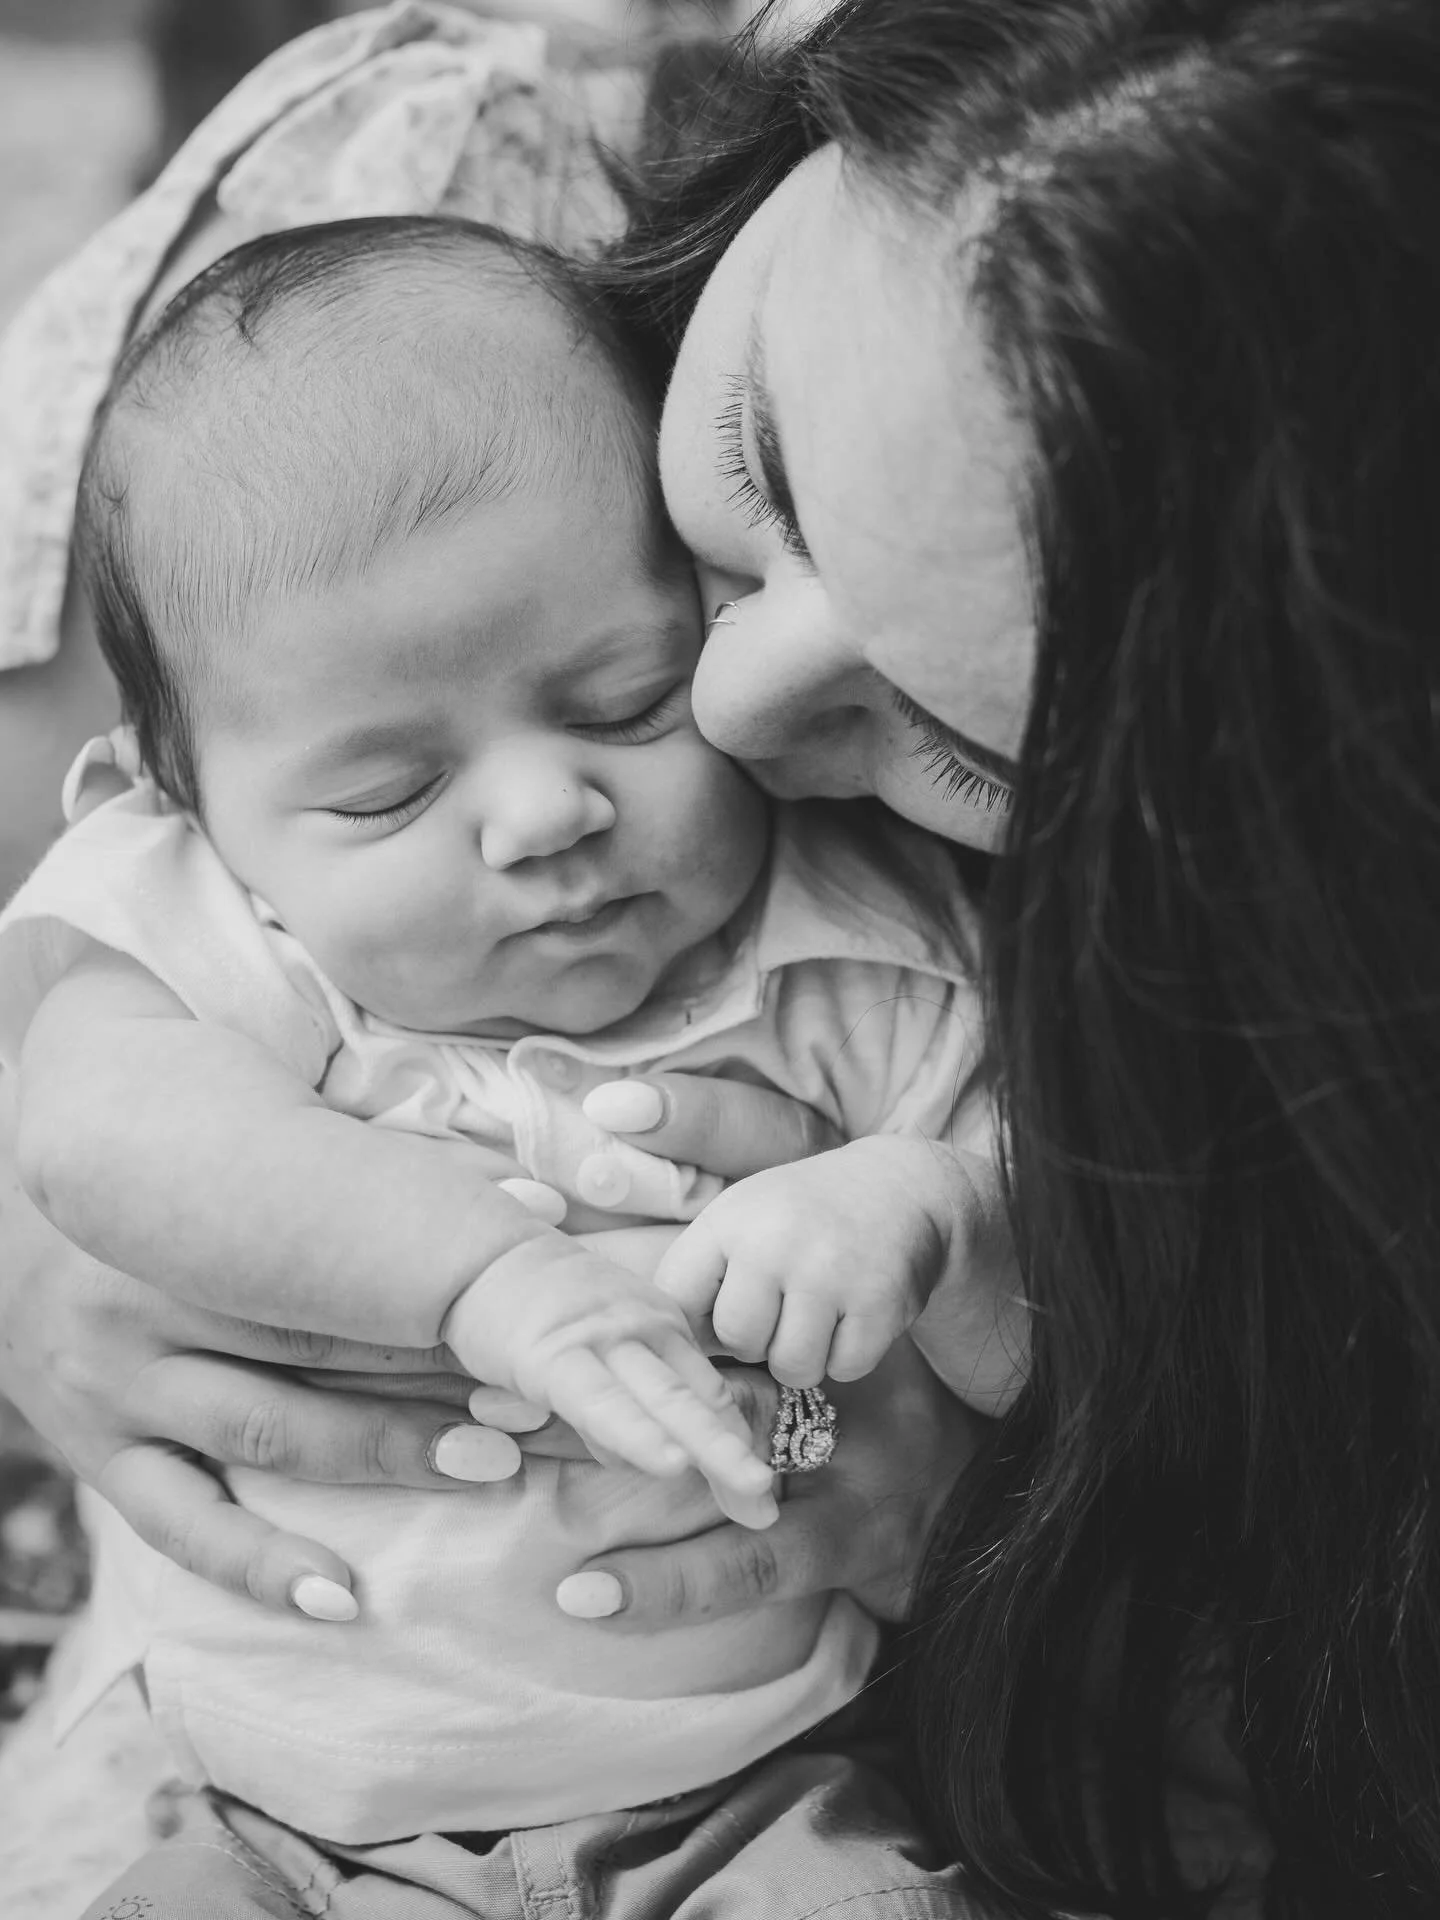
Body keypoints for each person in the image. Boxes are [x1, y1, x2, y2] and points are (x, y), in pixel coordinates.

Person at [4, 0, 1438, 1912]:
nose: (733, 703)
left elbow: (1037, 1256)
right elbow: (95, 1044)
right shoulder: (413, 274)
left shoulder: (908, 968)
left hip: (754, 1774)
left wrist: (956, 1316)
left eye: (954, 729)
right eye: (750, 489)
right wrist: (97, 1247)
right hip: (244, 1732)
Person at [0, 207, 1011, 1888]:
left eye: (626, 698)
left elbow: (1060, 1267)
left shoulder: (857, 941)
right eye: (390, 793)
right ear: (187, 803)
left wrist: (917, 1205)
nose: (546, 812)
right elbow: (95, 1132)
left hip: (752, 1783)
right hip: (240, 1784)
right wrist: (490, 1280)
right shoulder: (227, 926)